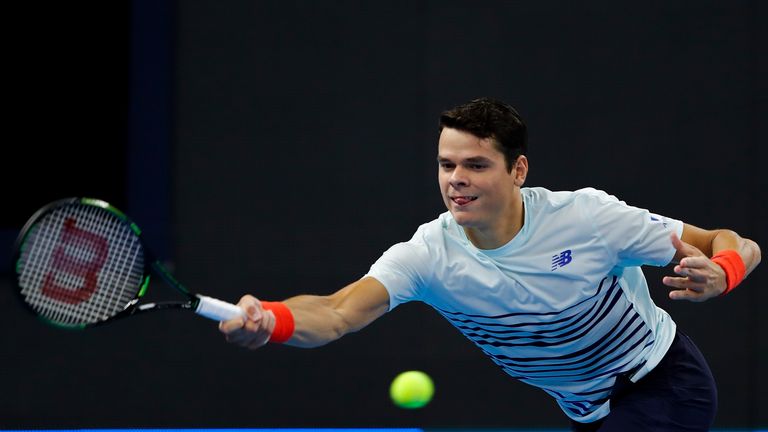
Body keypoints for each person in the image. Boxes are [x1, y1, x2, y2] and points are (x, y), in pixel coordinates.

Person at [219, 97, 761, 431]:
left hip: (663, 384)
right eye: (447, 164)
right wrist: (272, 320)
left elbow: (728, 241)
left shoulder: (589, 219)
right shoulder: (427, 255)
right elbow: (337, 313)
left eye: (476, 165)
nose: (456, 178)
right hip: (587, 411)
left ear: (518, 169)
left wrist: (725, 271)